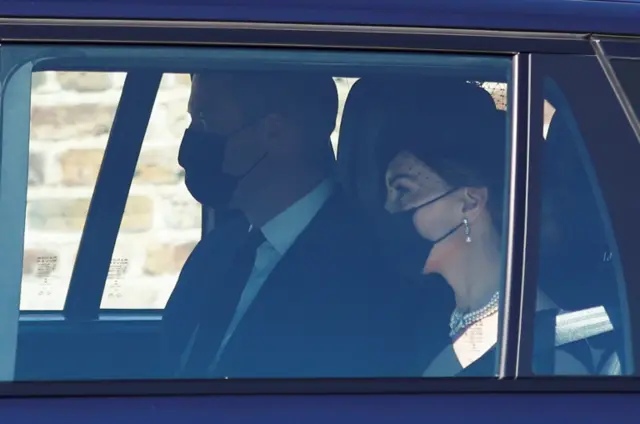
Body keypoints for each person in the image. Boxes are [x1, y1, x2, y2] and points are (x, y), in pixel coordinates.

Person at [160, 71, 424, 378]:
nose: (186, 151)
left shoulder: (370, 275)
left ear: (275, 133)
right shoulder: (216, 251)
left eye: (205, 121)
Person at [373, 81, 593, 376]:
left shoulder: (544, 356)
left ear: (470, 203)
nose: (389, 209)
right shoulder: (426, 317)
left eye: (403, 190)